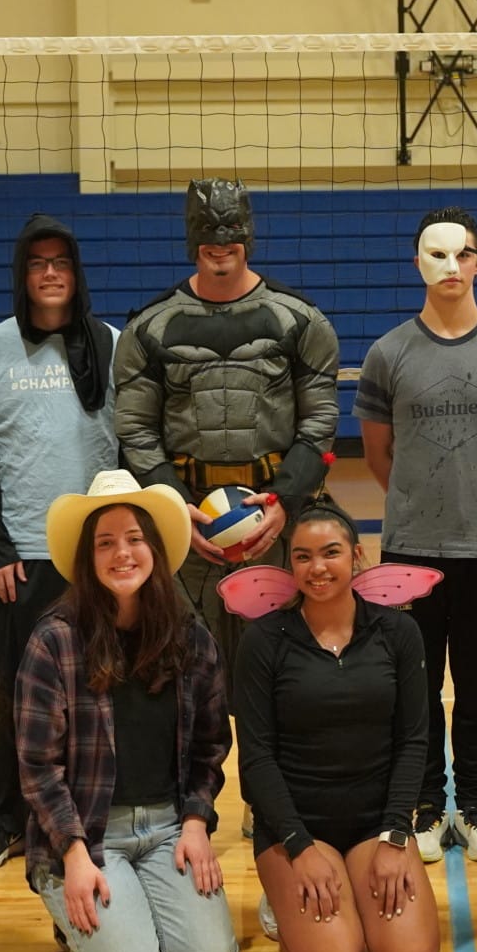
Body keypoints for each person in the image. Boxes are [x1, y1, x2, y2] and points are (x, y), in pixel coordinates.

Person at [354, 207, 477, 865]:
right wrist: (416, 505)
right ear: (417, 263)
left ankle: (471, 804)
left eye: (461, 254)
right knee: (414, 686)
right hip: (410, 546)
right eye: (434, 255)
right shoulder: (388, 353)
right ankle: (425, 807)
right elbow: (378, 454)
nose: (449, 266)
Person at [15, 471, 239, 952]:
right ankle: (81, 917)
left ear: (156, 550)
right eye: (106, 542)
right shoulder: (54, 640)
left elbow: (211, 745)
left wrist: (195, 823)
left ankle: (127, 916)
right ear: (88, 559)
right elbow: (37, 768)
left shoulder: (189, 635)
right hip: (88, 833)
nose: (123, 553)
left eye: (135, 539)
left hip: (167, 827)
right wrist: (72, 856)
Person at [113, 178, 340, 690]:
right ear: (191, 237)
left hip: (277, 522)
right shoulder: (148, 329)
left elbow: (320, 422)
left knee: (284, 672)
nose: (220, 241)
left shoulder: (301, 322)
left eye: (231, 228)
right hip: (187, 520)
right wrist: (173, 510)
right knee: (184, 671)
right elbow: (134, 428)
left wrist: (285, 501)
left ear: (249, 234)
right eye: (206, 229)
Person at [0, 214, 119, 869]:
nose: (50, 273)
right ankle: (3, 817)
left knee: (96, 689)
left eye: (61, 262)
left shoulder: (110, 344)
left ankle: (88, 811)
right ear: (22, 276)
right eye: (37, 263)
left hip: (95, 558)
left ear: (76, 275)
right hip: (20, 557)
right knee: (10, 692)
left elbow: (128, 446)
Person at [232, 495, 439, 952]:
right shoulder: (264, 641)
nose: (316, 568)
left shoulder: (399, 631)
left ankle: (355, 893)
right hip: (297, 832)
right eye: (302, 556)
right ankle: (284, 897)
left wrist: (395, 837)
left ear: (356, 556)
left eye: (330, 553)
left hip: (375, 827)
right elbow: (256, 759)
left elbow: (414, 741)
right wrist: (300, 847)